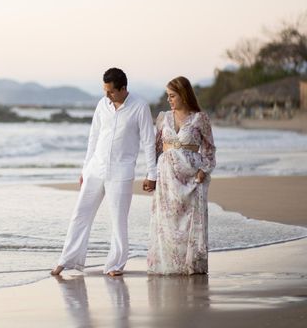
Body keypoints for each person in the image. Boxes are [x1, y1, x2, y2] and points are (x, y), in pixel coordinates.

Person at [51, 68, 157, 277]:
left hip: (121, 171)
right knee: (80, 215)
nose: (107, 96)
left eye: (111, 92)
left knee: (118, 220)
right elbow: (93, 137)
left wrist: (151, 175)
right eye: (105, 91)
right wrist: (85, 168)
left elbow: (149, 142)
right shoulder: (102, 104)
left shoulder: (140, 107)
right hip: (95, 169)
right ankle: (66, 260)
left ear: (123, 88)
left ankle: (115, 265)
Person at [147, 76, 216, 275]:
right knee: (167, 222)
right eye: (168, 96)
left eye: (172, 96)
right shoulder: (163, 119)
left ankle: (191, 265)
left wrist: (204, 170)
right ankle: (170, 266)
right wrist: (151, 175)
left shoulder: (199, 118)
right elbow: (156, 148)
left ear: (184, 95)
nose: (169, 100)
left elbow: (210, 149)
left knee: (189, 223)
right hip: (167, 179)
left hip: (192, 178)